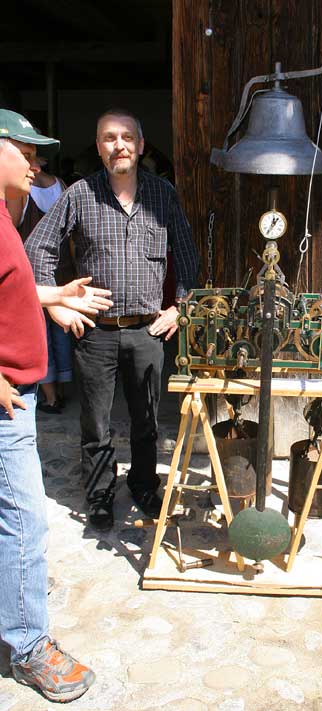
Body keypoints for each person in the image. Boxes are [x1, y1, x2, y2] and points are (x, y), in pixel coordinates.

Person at [26, 108, 200, 531]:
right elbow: (36, 251)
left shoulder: (163, 195)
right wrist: (57, 306)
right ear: (99, 147)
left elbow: (189, 255)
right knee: (96, 424)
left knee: (146, 421)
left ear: (141, 146)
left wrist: (179, 305)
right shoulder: (79, 195)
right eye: (108, 137)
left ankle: (143, 486)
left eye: (126, 137)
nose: (118, 145)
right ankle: (100, 495)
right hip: (96, 334)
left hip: (147, 331)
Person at [0, 109, 113, 701]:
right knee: (24, 519)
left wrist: (50, 294)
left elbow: (7, 286)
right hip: (6, 404)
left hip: (15, 395)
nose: (37, 163)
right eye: (26, 151)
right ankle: (27, 646)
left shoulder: (2, 217)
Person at [7, 159, 73, 414]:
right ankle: (63, 386)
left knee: (40, 332)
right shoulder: (61, 186)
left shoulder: (22, 189)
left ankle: (51, 396)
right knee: (62, 329)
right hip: (62, 266)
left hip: (31, 268)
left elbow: (11, 224)